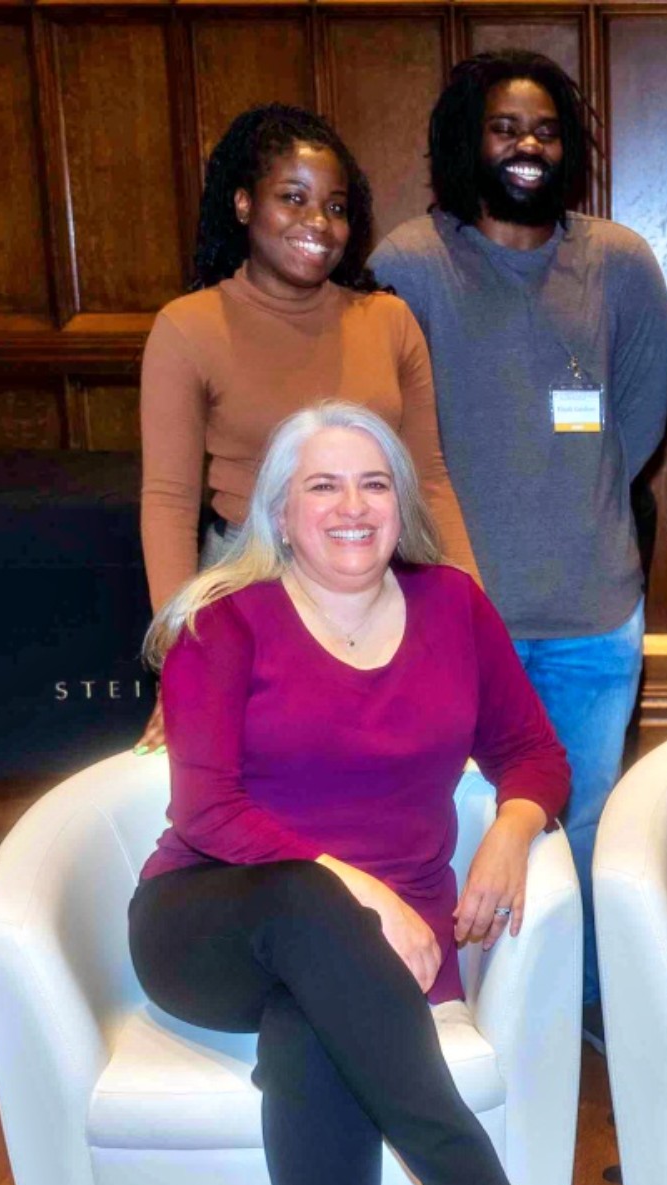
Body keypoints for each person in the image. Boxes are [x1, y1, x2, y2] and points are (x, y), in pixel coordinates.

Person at [131, 402, 579, 1185]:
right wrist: (361, 889)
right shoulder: (221, 621)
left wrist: (510, 827)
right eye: (322, 485)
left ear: (402, 502)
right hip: (211, 918)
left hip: (372, 958)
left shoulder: (456, 605)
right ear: (280, 511)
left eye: (375, 483)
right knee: (308, 906)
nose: (352, 506)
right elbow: (206, 811)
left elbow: (535, 751)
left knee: (311, 1031)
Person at [370, 51, 667, 1018]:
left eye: (545, 129)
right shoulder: (407, 264)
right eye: (505, 128)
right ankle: (480, 1001)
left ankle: (577, 1008)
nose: (528, 146)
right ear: (469, 139)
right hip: (452, 619)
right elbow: (389, 433)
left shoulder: (619, 262)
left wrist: (565, 506)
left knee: (580, 825)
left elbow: (637, 415)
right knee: (458, 822)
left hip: (593, 613)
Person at [138, 103, 477, 749]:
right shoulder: (187, 327)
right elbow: (168, 502)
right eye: (293, 198)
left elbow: (429, 479)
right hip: (247, 579)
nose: (318, 223)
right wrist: (179, 658)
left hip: (377, 573)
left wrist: (469, 613)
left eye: (336, 206)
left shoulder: (389, 320)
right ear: (243, 204)